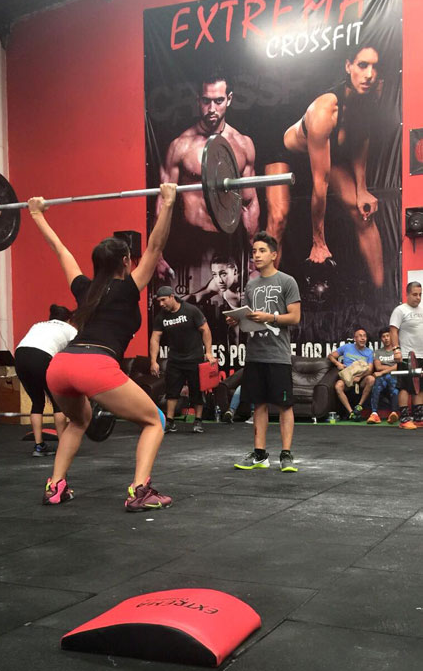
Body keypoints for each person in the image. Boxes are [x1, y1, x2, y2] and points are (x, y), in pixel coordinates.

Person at [27, 182, 177, 511]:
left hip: (60, 366)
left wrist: (36, 214)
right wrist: (167, 203)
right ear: (125, 261)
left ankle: (55, 486)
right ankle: (140, 491)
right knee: (154, 421)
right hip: (95, 366)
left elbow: (61, 251)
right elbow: (155, 246)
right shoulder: (129, 287)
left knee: (78, 421)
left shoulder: (84, 287)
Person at [283, 43, 384, 287]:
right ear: (348, 66)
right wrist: (318, 241)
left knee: (363, 212)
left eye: (374, 67)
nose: (369, 74)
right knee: (277, 217)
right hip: (290, 154)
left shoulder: (370, 96)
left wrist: (362, 189)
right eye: (362, 65)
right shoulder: (325, 110)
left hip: (330, 154)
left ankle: (383, 292)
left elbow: (361, 139)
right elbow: (321, 184)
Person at [155, 68, 260, 291]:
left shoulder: (243, 144)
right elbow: (163, 202)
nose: (212, 109)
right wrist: (157, 254)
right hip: (189, 245)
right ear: (198, 100)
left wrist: (254, 256)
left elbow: (249, 203)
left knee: (232, 309)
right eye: (206, 101)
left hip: (229, 245)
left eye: (218, 101)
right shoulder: (180, 146)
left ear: (229, 99)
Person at [226, 232, 301, 472]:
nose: (256, 255)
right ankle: (260, 454)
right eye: (254, 252)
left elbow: (295, 317)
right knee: (258, 404)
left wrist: (270, 317)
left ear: (274, 255)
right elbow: (249, 318)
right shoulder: (251, 285)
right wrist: (237, 320)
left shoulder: (287, 281)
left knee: (285, 405)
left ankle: (286, 454)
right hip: (255, 354)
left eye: (261, 251)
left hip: (278, 354)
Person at [150, 286, 215, 434]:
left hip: (194, 358)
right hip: (175, 359)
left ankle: (198, 421)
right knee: (171, 391)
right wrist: (153, 361)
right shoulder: (161, 316)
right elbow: (155, 338)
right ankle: (170, 421)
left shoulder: (191, 310)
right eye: (159, 301)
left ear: (172, 296)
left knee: (197, 391)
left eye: (163, 300)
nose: (161, 304)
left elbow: (205, 329)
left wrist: (209, 352)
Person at [15, 304, 77, 455]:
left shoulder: (37, 325)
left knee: (37, 402)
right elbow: (76, 353)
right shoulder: (70, 329)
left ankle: (39, 446)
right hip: (41, 357)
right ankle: (63, 446)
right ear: (68, 319)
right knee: (58, 403)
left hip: (20, 356)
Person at [389, 281, 423, 429]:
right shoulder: (400, 310)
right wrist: (396, 349)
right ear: (407, 294)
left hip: (421, 354)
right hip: (406, 355)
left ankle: (418, 418)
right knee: (405, 387)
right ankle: (404, 419)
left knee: (419, 387)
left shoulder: (422, 309)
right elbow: (393, 330)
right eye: (415, 294)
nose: (418, 297)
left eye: (420, 294)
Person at [328, 328, 375, 421]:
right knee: (338, 386)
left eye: (364, 336)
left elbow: (370, 369)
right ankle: (351, 412)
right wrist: (338, 364)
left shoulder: (369, 352)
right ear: (355, 338)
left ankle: (359, 406)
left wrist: (360, 377)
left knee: (371, 379)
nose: (363, 338)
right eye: (360, 336)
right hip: (348, 378)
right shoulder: (347, 347)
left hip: (361, 378)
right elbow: (330, 356)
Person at [367, 326, 399, 424]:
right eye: (383, 336)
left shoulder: (397, 351)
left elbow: (398, 366)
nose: (386, 338)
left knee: (394, 385)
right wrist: (390, 367)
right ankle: (374, 414)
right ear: (381, 339)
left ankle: (394, 413)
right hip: (382, 377)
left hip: (394, 376)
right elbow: (378, 367)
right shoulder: (378, 352)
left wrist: (382, 371)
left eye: (388, 336)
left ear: (392, 337)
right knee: (376, 385)